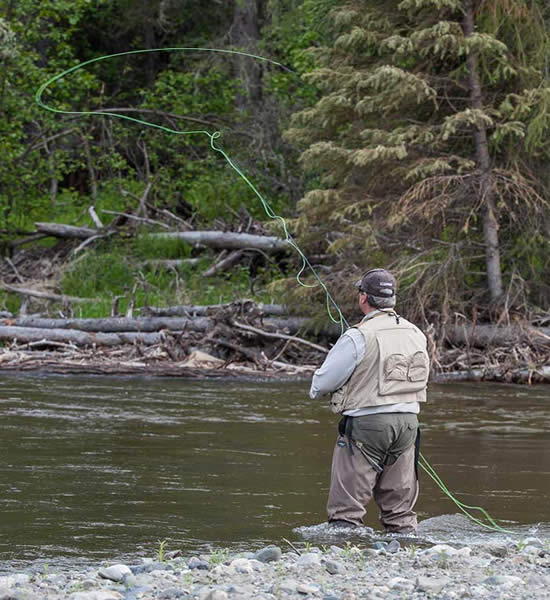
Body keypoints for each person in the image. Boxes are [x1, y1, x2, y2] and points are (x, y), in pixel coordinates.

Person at [310, 268, 429, 534]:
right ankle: (407, 554)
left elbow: (321, 384)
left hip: (367, 425)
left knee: (346, 514)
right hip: (409, 425)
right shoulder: (416, 333)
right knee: (400, 514)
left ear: (363, 298)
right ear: (392, 299)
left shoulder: (358, 335)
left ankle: (343, 559)